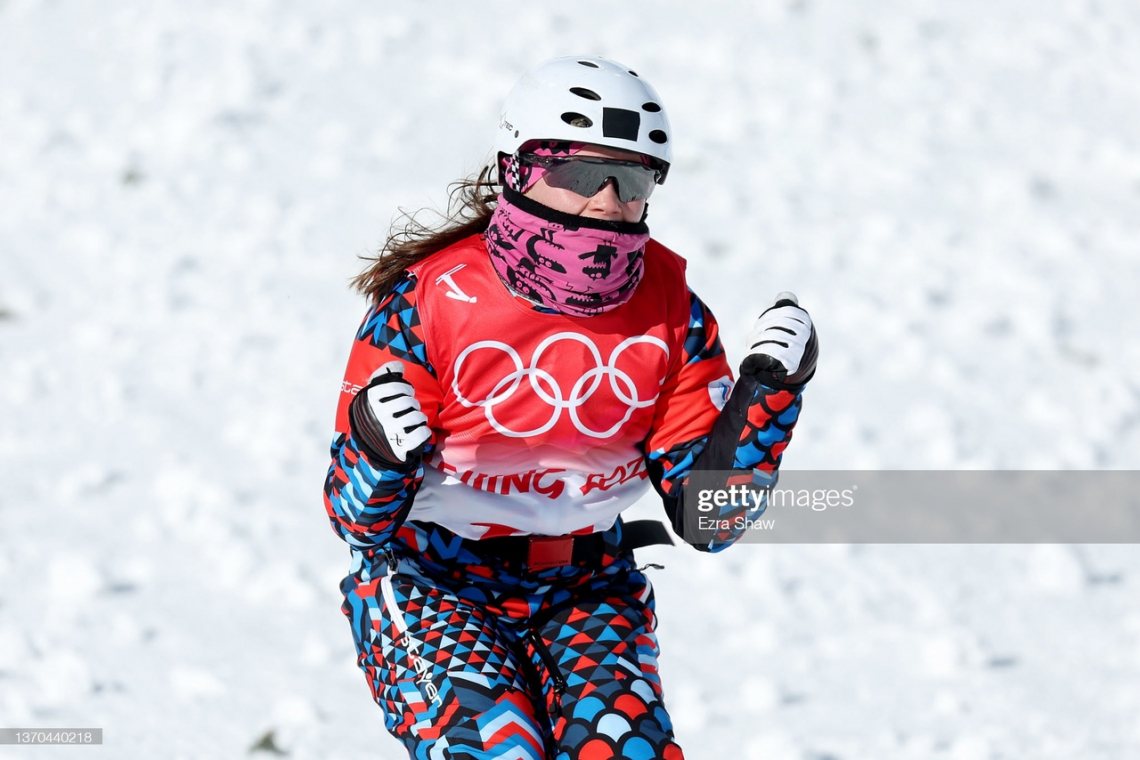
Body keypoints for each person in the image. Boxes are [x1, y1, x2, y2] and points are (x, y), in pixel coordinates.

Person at [323, 55, 818, 760]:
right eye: (583, 175)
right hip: (434, 580)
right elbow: (353, 520)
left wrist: (768, 395)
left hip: (587, 585)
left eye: (636, 179)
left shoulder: (673, 315)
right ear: (520, 171)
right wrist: (375, 452)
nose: (608, 202)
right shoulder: (429, 303)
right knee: (499, 749)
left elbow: (709, 520)